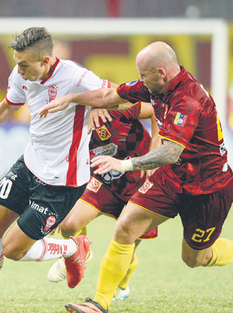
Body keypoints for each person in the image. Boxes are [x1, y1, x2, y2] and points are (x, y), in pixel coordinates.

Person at [39, 41, 233, 313]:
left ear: (161, 73)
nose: (139, 80)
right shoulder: (155, 86)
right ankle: (99, 303)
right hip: (171, 180)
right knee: (125, 228)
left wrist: (124, 164)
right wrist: (71, 99)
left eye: (143, 74)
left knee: (194, 258)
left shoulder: (188, 100)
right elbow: (110, 96)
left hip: (208, 188)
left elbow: (170, 153)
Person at [0, 27, 109, 312]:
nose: (19, 71)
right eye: (17, 63)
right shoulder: (21, 74)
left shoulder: (77, 77)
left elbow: (122, 96)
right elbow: (8, 107)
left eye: (24, 65)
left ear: (45, 61)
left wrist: (94, 101)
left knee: (13, 249)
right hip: (30, 164)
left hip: (62, 180)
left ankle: (74, 248)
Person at [46, 103, 159, 302]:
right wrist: (57, 207)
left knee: (126, 247)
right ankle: (78, 252)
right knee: (69, 225)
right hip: (105, 179)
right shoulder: (66, 129)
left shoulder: (116, 108)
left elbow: (156, 111)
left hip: (142, 177)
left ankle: (122, 285)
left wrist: (155, 149)